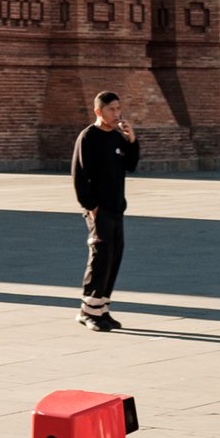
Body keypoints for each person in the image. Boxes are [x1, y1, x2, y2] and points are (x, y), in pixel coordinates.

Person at [72, 91, 139, 331]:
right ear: (98, 111)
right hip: (99, 210)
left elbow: (131, 165)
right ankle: (87, 311)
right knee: (100, 258)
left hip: (116, 207)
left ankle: (101, 308)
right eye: (112, 109)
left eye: (119, 108)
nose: (117, 113)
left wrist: (132, 141)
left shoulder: (117, 137)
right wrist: (91, 207)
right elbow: (79, 176)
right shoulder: (88, 137)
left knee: (114, 256)